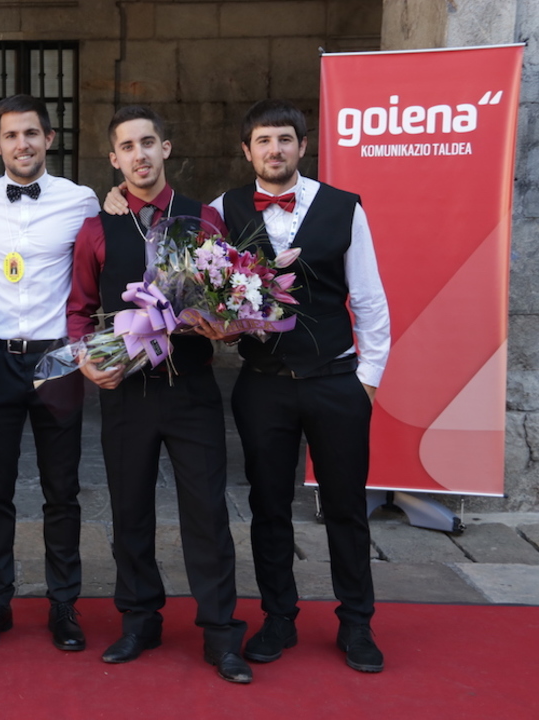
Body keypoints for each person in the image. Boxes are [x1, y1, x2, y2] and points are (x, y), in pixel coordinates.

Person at [67, 106, 251, 683]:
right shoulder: (97, 229)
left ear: (165, 148)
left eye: (148, 142)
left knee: (207, 512)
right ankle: (139, 620)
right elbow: (79, 310)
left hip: (192, 388)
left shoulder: (204, 219)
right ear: (114, 159)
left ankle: (220, 632)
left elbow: (231, 300)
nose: (140, 154)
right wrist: (85, 360)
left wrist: (227, 327)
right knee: (130, 511)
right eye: (127, 147)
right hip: (127, 393)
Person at [209, 99, 390, 673]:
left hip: (336, 380)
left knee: (345, 507)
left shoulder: (344, 208)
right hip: (263, 384)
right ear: (247, 151)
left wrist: (367, 382)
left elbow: (369, 298)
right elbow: (209, 295)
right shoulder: (223, 209)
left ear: (302, 146)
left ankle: (356, 622)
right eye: (263, 141)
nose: (275, 150)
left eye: (285, 139)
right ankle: (279, 617)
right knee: (268, 506)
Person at [0, 94, 100, 651]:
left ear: (49, 139)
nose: (23, 144)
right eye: (12, 135)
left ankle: (64, 604)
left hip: (57, 357)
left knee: (62, 490)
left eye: (32, 133)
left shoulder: (81, 200)